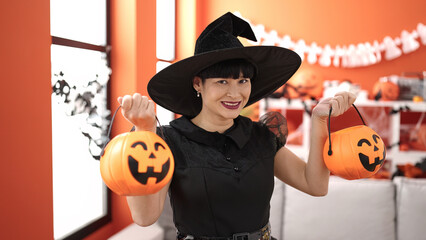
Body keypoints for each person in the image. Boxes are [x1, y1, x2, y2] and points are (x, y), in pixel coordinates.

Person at [117, 12, 356, 240]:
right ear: (198, 84)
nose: (235, 93)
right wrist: (144, 132)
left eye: (243, 81)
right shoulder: (169, 141)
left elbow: (315, 185)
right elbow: (145, 217)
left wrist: (320, 120)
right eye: (222, 81)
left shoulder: (262, 136)